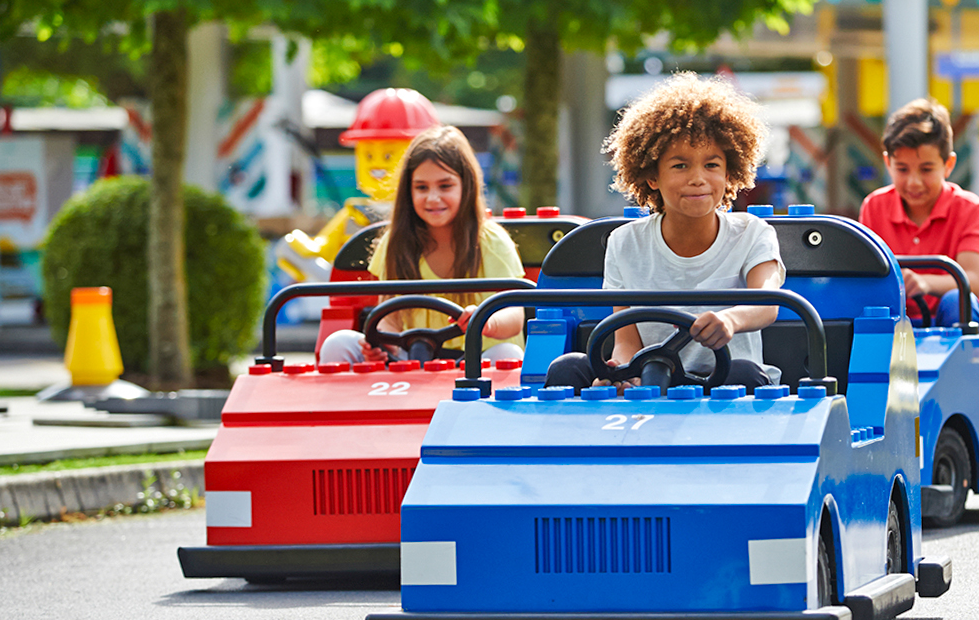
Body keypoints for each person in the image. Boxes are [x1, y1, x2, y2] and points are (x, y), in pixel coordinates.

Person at [545, 72, 783, 393]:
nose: (698, 178)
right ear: (652, 176)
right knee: (567, 368)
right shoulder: (625, 242)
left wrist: (730, 320)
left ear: (730, 172)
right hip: (652, 379)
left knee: (744, 373)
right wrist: (623, 373)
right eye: (680, 166)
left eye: (711, 165)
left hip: (726, 383)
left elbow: (767, 303)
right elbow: (625, 340)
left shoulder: (752, 233)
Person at [318, 123, 527, 364]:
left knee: (508, 354)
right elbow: (390, 316)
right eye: (421, 187)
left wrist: (487, 322)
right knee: (337, 343)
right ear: (409, 191)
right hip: (414, 360)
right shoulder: (395, 242)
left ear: (466, 186)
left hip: (476, 362)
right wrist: (383, 346)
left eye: (445, 185)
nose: (433, 198)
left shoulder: (491, 241)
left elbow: (514, 315)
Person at [858, 98, 979, 330]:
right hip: (898, 329)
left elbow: (974, 280)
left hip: (957, 326)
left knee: (956, 300)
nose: (914, 182)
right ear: (887, 163)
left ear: (948, 164)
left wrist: (925, 282)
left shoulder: (969, 208)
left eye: (926, 169)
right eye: (902, 169)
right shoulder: (874, 206)